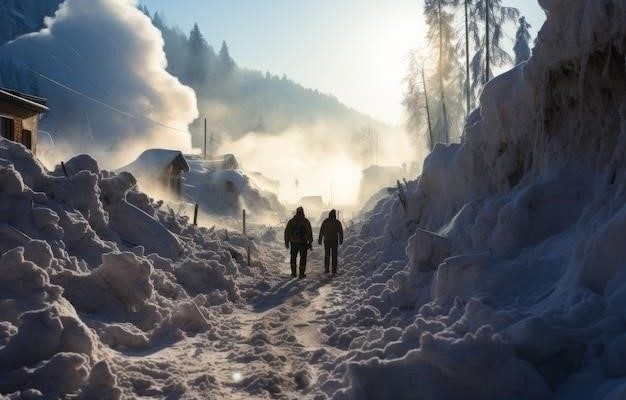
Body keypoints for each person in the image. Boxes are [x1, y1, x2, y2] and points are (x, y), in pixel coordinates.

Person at [284, 206, 313, 279]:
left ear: (296, 212)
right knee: (303, 258)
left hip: (293, 243)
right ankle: (301, 274)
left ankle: (293, 273)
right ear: (303, 212)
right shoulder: (306, 221)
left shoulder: (291, 221)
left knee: (293, 257)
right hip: (303, 243)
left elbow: (286, 232)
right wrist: (310, 242)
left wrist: (287, 242)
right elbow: (309, 232)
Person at [318, 209, 344, 275]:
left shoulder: (326, 221)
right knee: (334, 256)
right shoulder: (337, 222)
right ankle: (334, 270)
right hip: (334, 241)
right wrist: (341, 240)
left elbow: (322, 231)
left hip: (327, 241)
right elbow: (340, 232)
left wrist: (320, 239)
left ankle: (327, 269)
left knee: (327, 255)